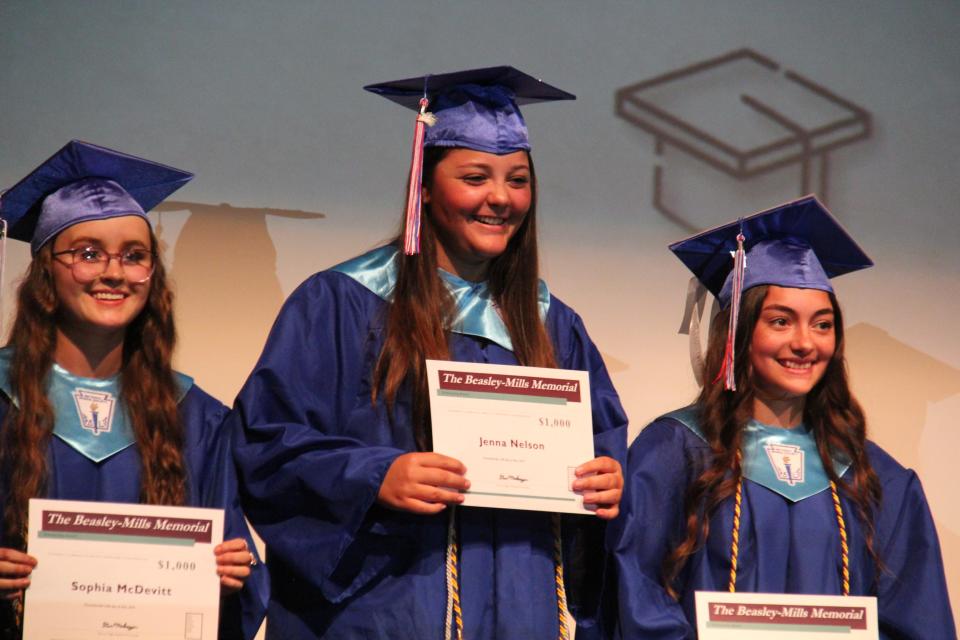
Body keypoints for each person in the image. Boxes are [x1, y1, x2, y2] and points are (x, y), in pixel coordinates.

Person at [232, 66, 627, 639]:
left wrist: (605, 481)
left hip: (522, 613)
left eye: (517, 180)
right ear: (424, 183)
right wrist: (376, 476)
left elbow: (601, 446)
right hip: (381, 617)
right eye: (475, 177)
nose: (500, 197)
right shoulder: (341, 304)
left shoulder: (553, 325)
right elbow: (265, 443)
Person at [609, 196, 955, 639]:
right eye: (780, 321)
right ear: (738, 330)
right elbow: (638, 596)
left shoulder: (874, 477)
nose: (805, 342)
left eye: (822, 324)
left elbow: (915, 618)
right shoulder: (674, 454)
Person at [0, 140, 268, 639]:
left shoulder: (197, 418)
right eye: (87, 254)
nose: (113, 273)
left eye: (134, 256)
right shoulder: (3, 398)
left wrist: (232, 576)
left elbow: (236, 566)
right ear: (44, 273)